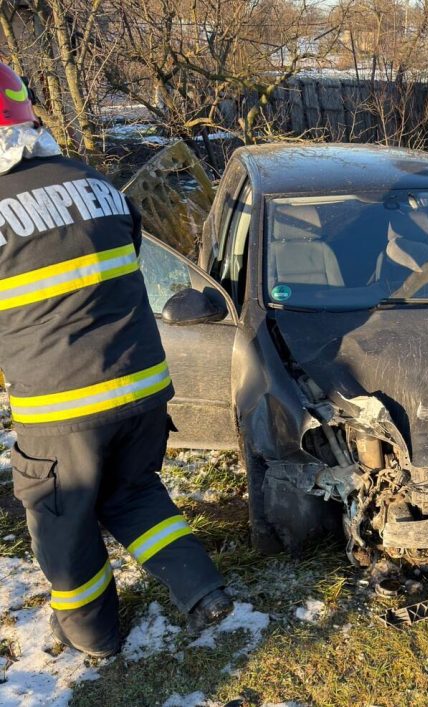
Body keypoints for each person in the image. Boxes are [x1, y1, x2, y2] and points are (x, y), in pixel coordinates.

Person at [0, 63, 232, 658]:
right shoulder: (94, 183)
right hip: (143, 384)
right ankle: (200, 586)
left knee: (62, 523)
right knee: (131, 492)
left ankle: (93, 635)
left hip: (61, 408)